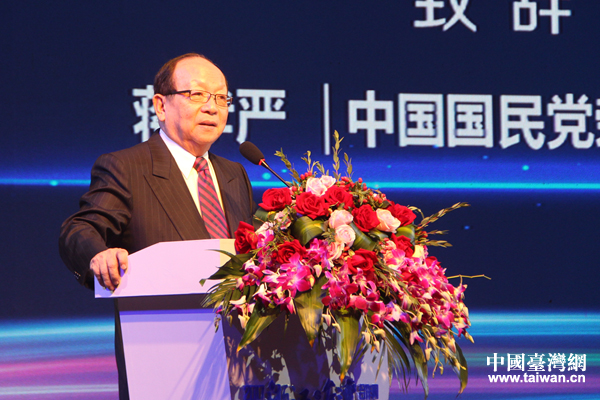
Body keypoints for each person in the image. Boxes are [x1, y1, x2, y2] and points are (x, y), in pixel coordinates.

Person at [59, 53, 255, 399]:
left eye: (221, 98)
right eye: (197, 94)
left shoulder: (233, 173)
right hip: (164, 361)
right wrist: (99, 254)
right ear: (161, 106)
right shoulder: (127, 167)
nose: (212, 107)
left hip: (241, 359)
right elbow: (81, 229)